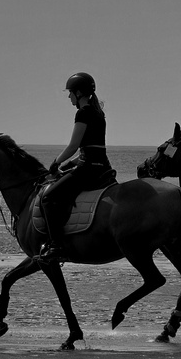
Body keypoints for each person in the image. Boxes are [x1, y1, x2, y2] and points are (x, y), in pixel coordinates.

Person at [35, 72, 116, 263]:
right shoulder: (99, 114)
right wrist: (68, 165)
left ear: (79, 93)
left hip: (89, 169)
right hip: (101, 166)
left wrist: (55, 163)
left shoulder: (83, 113)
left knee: (48, 198)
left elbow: (73, 146)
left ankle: (56, 246)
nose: (69, 96)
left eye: (70, 92)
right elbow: (88, 150)